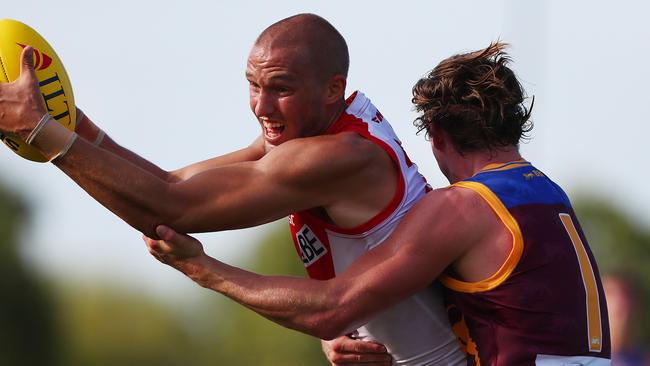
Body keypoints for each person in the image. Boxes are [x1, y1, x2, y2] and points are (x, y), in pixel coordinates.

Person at [0, 13, 464, 366]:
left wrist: (42, 130)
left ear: (331, 89)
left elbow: (170, 209)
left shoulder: (335, 156)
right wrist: (73, 124)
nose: (261, 106)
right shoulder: (308, 129)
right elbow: (171, 184)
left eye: (279, 88)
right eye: (252, 85)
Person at [144, 42, 613, 365]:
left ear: (437, 137)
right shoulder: (550, 194)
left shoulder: (464, 207)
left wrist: (203, 269)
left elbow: (333, 308)